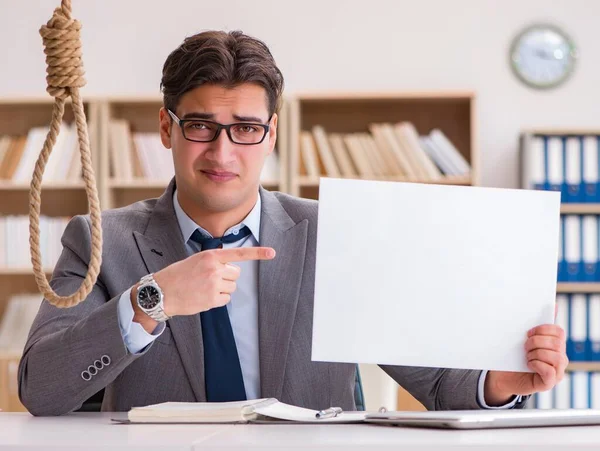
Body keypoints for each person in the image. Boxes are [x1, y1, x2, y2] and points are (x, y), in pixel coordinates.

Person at [18, 30, 568, 416]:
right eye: (202, 126)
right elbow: (40, 390)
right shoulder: (100, 240)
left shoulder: (337, 234)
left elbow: (436, 381)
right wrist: (151, 300)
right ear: (166, 127)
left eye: (246, 129)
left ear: (272, 134)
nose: (223, 152)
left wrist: (500, 383)